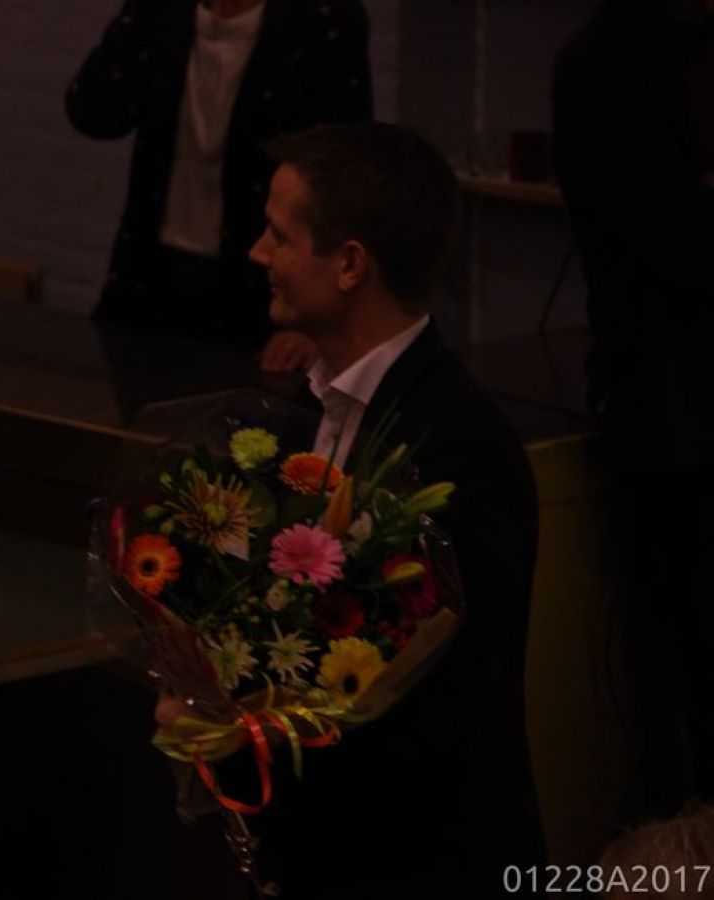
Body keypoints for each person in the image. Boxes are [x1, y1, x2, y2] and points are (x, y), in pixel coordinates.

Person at [235, 121, 545, 897]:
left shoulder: (457, 446)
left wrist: (245, 725)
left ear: (348, 265)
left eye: (278, 236)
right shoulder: (315, 408)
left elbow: (423, 700)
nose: (256, 253)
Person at [553, 0, 714, 824]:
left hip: (674, 407)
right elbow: (682, 247)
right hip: (672, 412)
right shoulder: (610, 61)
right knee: (680, 669)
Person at [66, 0, 373, 373]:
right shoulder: (166, 12)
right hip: (149, 273)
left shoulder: (318, 16)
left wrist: (311, 325)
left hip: (260, 286)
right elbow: (94, 113)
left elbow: (347, 172)